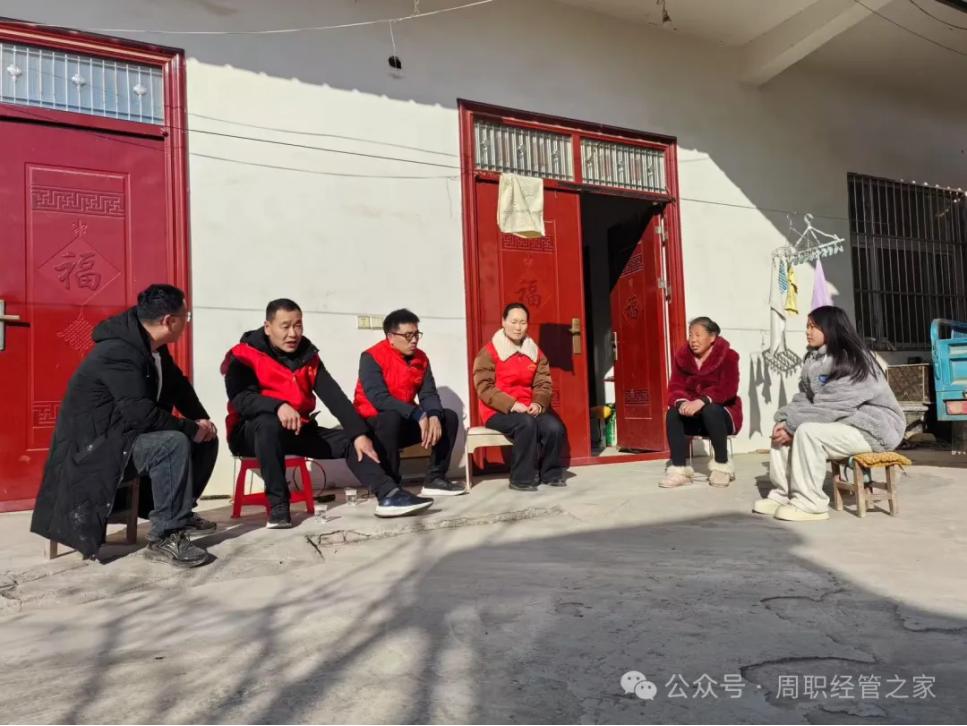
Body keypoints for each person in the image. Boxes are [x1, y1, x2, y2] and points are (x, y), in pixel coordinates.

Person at [31, 284, 219, 568]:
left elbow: (178, 387)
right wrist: (190, 429)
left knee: (205, 439)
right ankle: (166, 536)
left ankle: (178, 513)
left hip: (126, 437)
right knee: (172, 443)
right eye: (186, 317)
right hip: (97, 448)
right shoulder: (118, 352)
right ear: (169, 321)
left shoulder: (152, 346)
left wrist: (201, 422)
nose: (187, 323)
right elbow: (140, 414)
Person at [222, 299, 432, 526]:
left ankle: (389, 494)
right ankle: (279, 506)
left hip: (296, 430)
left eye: (298, 325)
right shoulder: (243, 355)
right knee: (267, 423)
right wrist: (277, 406)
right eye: (285, 326)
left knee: (352, 442)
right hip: (250, 433)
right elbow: (241, 399)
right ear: (267, 327)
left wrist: (359, 434)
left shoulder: (308, 357)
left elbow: (336, 398)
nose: (293, 333)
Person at [754, 306, 905, 522]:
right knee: (782, 427)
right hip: (843, 421)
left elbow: (834, 405)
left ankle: (811, 504)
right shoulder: (814, 359)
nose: (808, 331)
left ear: (831, 328)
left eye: (813, 327)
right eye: (807, 326)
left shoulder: (854, 359)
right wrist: (786, 418)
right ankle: (782, 494)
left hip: (872, 428)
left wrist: (793, 425)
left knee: (807, 432)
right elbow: (806, 397)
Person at [353, 309, 465, 497]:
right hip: (373, 423)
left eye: (416, 334)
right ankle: (391, 486)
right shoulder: (371, 357)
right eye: (408, 335)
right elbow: (379, 398)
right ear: (391, 337)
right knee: (391, 418)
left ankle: (435, 478)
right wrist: (416, 413)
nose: (414, 340)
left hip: (403, 420)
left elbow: (428, 393)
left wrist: (434, 415)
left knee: (448, 417)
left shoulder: (421, 358)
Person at [472, 302, 567, 491]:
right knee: (526, 424)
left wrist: (538, 404)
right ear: (503, 322)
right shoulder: (489, 352)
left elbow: (543, 383)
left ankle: (550, 473)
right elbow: (484, 387)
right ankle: (521, 478)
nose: (518, 327)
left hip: (528, 408)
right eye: (513, 322)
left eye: (523, 322)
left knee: (554, 427)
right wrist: (512, 404)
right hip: (498, 411)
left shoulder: (535, 352)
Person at [661, 317, 743, 488]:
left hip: (722, 416)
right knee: (673, 413)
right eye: (691, 335)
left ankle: (722, 467)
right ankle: (679, 470)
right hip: (694, 417)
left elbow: (729, 388)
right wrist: (681, 403)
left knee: (710, 409)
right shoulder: (682, 357)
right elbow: (675, 386)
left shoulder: (729, 356)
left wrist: (703, 400)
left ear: (712, 337)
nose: (693, 340)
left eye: (698, 335)